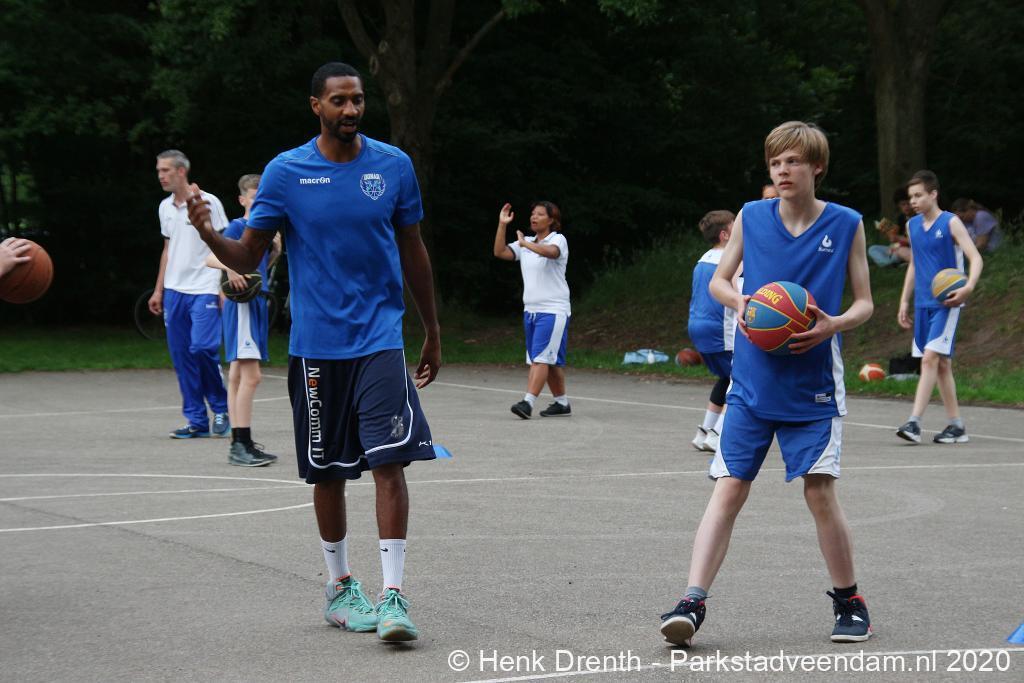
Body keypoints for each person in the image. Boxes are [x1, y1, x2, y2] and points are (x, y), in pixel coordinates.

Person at [184, 62, 440, 643]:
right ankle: (340, 588)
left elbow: (413, 248)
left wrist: (431, 328)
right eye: (339, 101)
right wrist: (207, 232)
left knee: (389, 462)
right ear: (316, 106)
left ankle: (394, 596)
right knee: (328, 472)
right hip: (317, 347)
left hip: (380, 338)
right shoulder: (286, 172)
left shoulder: (393, 166)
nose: (351, 110)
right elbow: (248, 255)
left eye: (358, 100)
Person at [659, 121, 875, 646]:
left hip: (813, 385)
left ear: (816, 167)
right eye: (776, 162)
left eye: (793, 161)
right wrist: (741, 302)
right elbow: (720, 280)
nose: (783, 170)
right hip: (751, 382)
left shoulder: (846, 223)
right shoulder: (751, 217)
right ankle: (691, 601)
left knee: (819, 491)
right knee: (729, 487)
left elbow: (865, 303)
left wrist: (833, 324)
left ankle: (850, 601)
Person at [895, 172, 983, 444]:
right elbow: (914, 264)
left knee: (929, 359)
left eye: (918, 195)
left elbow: (975, 257)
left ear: (933, 194)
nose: (913, 201)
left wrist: (968, 286)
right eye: (911, 197)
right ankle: (956, 426)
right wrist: (904, 300)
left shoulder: (951, 222)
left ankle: (914, 422)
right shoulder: (912, 226)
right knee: (942, 365)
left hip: (947, 302)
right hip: (922, 302)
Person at [151, 150, 231, 439]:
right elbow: (167, 250)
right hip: (175, 291)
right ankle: (196, 420)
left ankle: (221, 409)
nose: (161, 176)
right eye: (159, 171)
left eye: (166, 170)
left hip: (205, 287)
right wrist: (159, 289)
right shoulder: (165, 207)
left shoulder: (208, 202)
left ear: (181, 171)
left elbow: (224, 243)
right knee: (182, 357)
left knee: (202, 348)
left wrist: (223, 283)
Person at [205, 174, 283, 467]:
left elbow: (258, 270)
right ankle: (241, 443)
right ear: (242, 199)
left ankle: (240, 442)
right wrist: (231, 269)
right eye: (253, 196)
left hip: (255, 302)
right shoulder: (239, 226)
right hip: (242, 306)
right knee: (252, 376)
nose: (258, 200)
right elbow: (210, 258)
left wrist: (274, 252)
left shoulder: (264, 232)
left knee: (238, 376)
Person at [493, 201, 572, 419]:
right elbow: (500, 252)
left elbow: (551, 253)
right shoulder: (525, 242)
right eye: (532, 214)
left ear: (552, 220)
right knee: (548, 360)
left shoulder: (557, 239)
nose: (534, 217)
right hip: (531, 311)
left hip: (553, 310)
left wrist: (525, 245)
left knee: (540, 358)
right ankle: (562, 403)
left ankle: (527, 402)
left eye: (540, 214)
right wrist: (502, 224)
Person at [687, 210, 738, 453]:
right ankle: (718, 434)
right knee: (742, 379)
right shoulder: (730, 260)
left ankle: (704, 431)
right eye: (735, 225)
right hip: (720, 329)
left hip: (698, 326)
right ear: (725, 235)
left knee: (727, 377)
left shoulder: (703, 259)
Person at [868, 187, 912, 267]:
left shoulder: (918, 218)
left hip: (909, 250)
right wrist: (891, 237)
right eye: (903, 204)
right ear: (899, 206)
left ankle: (888, 262)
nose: (906, 207)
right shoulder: (901, 218)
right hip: (899, 247)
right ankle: (892, 262)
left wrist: (899, 238)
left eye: (908, 204)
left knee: (897, 254)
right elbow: (896, 239)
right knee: (872, 249)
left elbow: (916, 242)